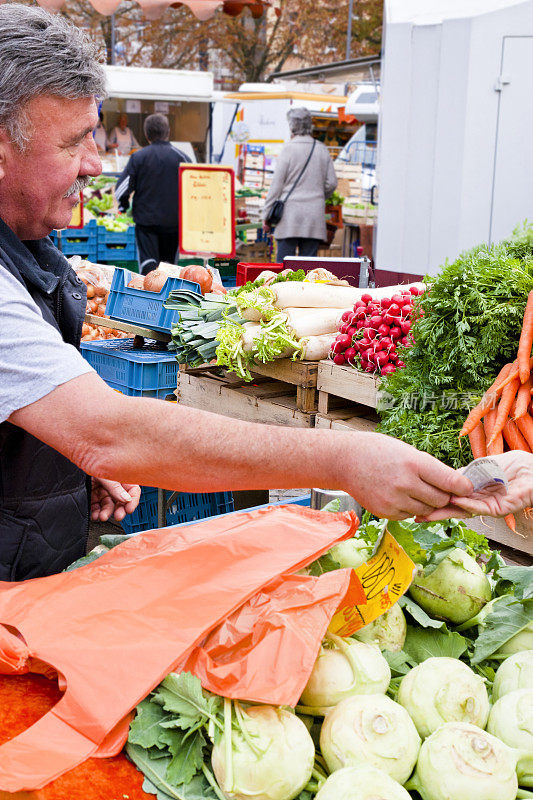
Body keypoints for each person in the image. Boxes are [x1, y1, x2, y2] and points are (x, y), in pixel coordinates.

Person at [0, 7, 528, 584]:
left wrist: (59, 448)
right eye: (73, 144)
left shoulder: (26, 246)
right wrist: (343, 458)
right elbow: (109, 432)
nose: (94, 165)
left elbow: (75, 420)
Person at [114, 113, 190, 275]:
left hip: (146, 224)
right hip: (174, 225)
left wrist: (124, 204)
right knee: (170, 268)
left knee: (149, 267)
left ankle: (149, 298)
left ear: (147, 134)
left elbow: (121, 188)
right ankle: (168, 298)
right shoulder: (183, 158)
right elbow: (194, 191)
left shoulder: (139, 157)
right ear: (168, 132)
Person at [263, 107, 337, 262]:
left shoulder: (288, 149)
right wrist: (318, 196)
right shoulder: (322, 149)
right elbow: (332, 183)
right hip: (314, 216)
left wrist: (266, 215)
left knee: (283, 267)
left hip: (289, 216)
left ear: (292, 126)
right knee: (308, 268)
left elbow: (276, 186)